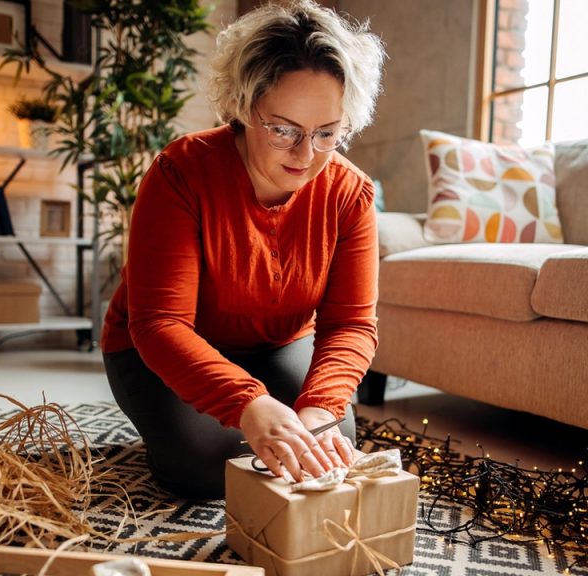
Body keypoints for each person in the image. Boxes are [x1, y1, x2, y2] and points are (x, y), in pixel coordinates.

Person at [101, 0, 386, 499]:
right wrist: (249, 404)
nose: (306, 156)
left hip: (278, 343)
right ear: (242, 105)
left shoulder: (350, 193)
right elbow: (159, 324)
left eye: (327, 134)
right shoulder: (181, 173)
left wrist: (320, 408)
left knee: (327, 444)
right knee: (210, 466)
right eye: (283, 129)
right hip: (160, 346)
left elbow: (350, 326)